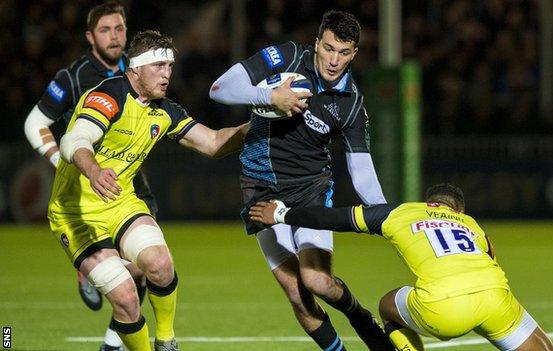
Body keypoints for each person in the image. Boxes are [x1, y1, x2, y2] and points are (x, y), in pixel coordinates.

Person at [48, 29, 248, 351]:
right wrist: (94, 169)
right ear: (136, 68)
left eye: (170, 66)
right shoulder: (109, 95)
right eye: (159, 66)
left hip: (121, 202)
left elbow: (213, 143)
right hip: (76, 214)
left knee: (160, 264)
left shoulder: (164, 110)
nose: (167, 74)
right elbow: (75, 140)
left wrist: (261, 122)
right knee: (127, 298)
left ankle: (166, 340)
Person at [210, 10, 393, 351]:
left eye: (343, 52)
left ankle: (359, 315)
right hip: (260, 189)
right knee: (296, 291)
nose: (333, 60)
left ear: (354, 54)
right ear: (317, 43)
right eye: (328, 48)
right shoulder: (288, 57)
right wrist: (271, 97)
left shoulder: (351, 102)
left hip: (311, 191)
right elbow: (220, 88)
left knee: (317, 281)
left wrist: (386, 216)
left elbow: (362, 168)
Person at [249, 183, 553, 351]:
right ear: (457, 210)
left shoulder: (400, 213)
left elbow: (333, 219)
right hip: (495, 298)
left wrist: (283, 215)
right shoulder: (472, 224)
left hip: (441, 308)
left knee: (386, 305)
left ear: (429, 203)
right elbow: (489, 258)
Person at [23, 3, 151, 350]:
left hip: (133, 183)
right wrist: (60, 161)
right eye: (106, 30)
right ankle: (89, 268)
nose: (115, 36)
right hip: (87, 190)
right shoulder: (73, 77)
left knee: (147, 270)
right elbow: (34, 124)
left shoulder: (136, 69)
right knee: (125, 278)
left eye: (120, 28)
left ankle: (111, 343)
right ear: (90, 37)